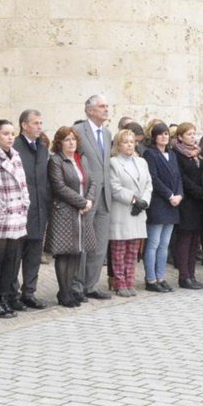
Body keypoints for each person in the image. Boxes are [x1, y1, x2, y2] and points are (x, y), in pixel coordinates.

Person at [0, 119, 31, 315]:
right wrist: (1, 209)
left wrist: (25, 204)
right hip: (0, 218)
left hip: (17, 217)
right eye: (5, 133)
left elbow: (23, 185)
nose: (10, 137)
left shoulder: (16, 156)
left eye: (12, 133)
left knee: (11, 260)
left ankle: (5, 298)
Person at [46, 127, 98, 307]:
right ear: (59, 142)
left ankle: (71, 291)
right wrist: (82, 202)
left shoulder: (82, 159)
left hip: (82, 213)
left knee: (77, 250)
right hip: (64, 212)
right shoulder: (56, 161)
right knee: (64, 253)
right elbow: (59, 187)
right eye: (67, 139)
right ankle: (64, 292)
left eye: (74, 139)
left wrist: (89, 201)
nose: (71, 143)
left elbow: (92, 182)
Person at [72, 95, 113, 300]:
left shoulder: (106, 133)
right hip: (86, 195)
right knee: (84, 243)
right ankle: (77, 286)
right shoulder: (78, 132)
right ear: (89, 110)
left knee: (99, 244)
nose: (106, 109)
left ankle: (91, 284)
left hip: (105, 196)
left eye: (107, 106)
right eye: (102, 106)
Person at [106, 130, 152, 296]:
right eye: (125, 142)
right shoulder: (114, 163)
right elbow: (115, 187)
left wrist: (144, 201)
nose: (129, 145)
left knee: (133, 251)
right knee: (119, 251)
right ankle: (119, 283)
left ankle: (130, 281)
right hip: (122, 210)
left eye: (132, 142)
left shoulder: (141, 162)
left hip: (138, 211)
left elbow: (148, 184)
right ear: (118, 145)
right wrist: (133, 200)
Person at [13, 109, 51, 309]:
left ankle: (29, 292)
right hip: (20, 210)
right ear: (24, 125)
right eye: (35, 123)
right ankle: (12, 293)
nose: (39, 127)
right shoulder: (15, 146)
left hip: (39, 207)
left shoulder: (42, 147)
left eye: (40, 123)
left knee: (34, 254)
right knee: (16, 253)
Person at [142, 122, 182, 292]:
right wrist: (169, 195)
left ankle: (161, 276)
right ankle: (150, 279)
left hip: (173, 203)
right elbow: (153, 178)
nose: (164, 137)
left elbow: (178, 177)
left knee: (165, 244)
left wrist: (179, 194)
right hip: (159, 203)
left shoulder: (172, 154)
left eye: (166, 134)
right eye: (160, 134)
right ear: (154, 137)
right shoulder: (150, 154)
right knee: (153, 243)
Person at [172, 123, 203, 289]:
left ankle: (192, 274)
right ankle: (183, 276)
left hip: (199, 202)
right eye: (189, 134)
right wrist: (198, 191)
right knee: (185, 239)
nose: (193, 137)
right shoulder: (177, 154)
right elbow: (182, 178)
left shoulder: (198, 154)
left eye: (194, 133)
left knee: (194, 240)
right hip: (186, 201)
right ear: (180, 137)